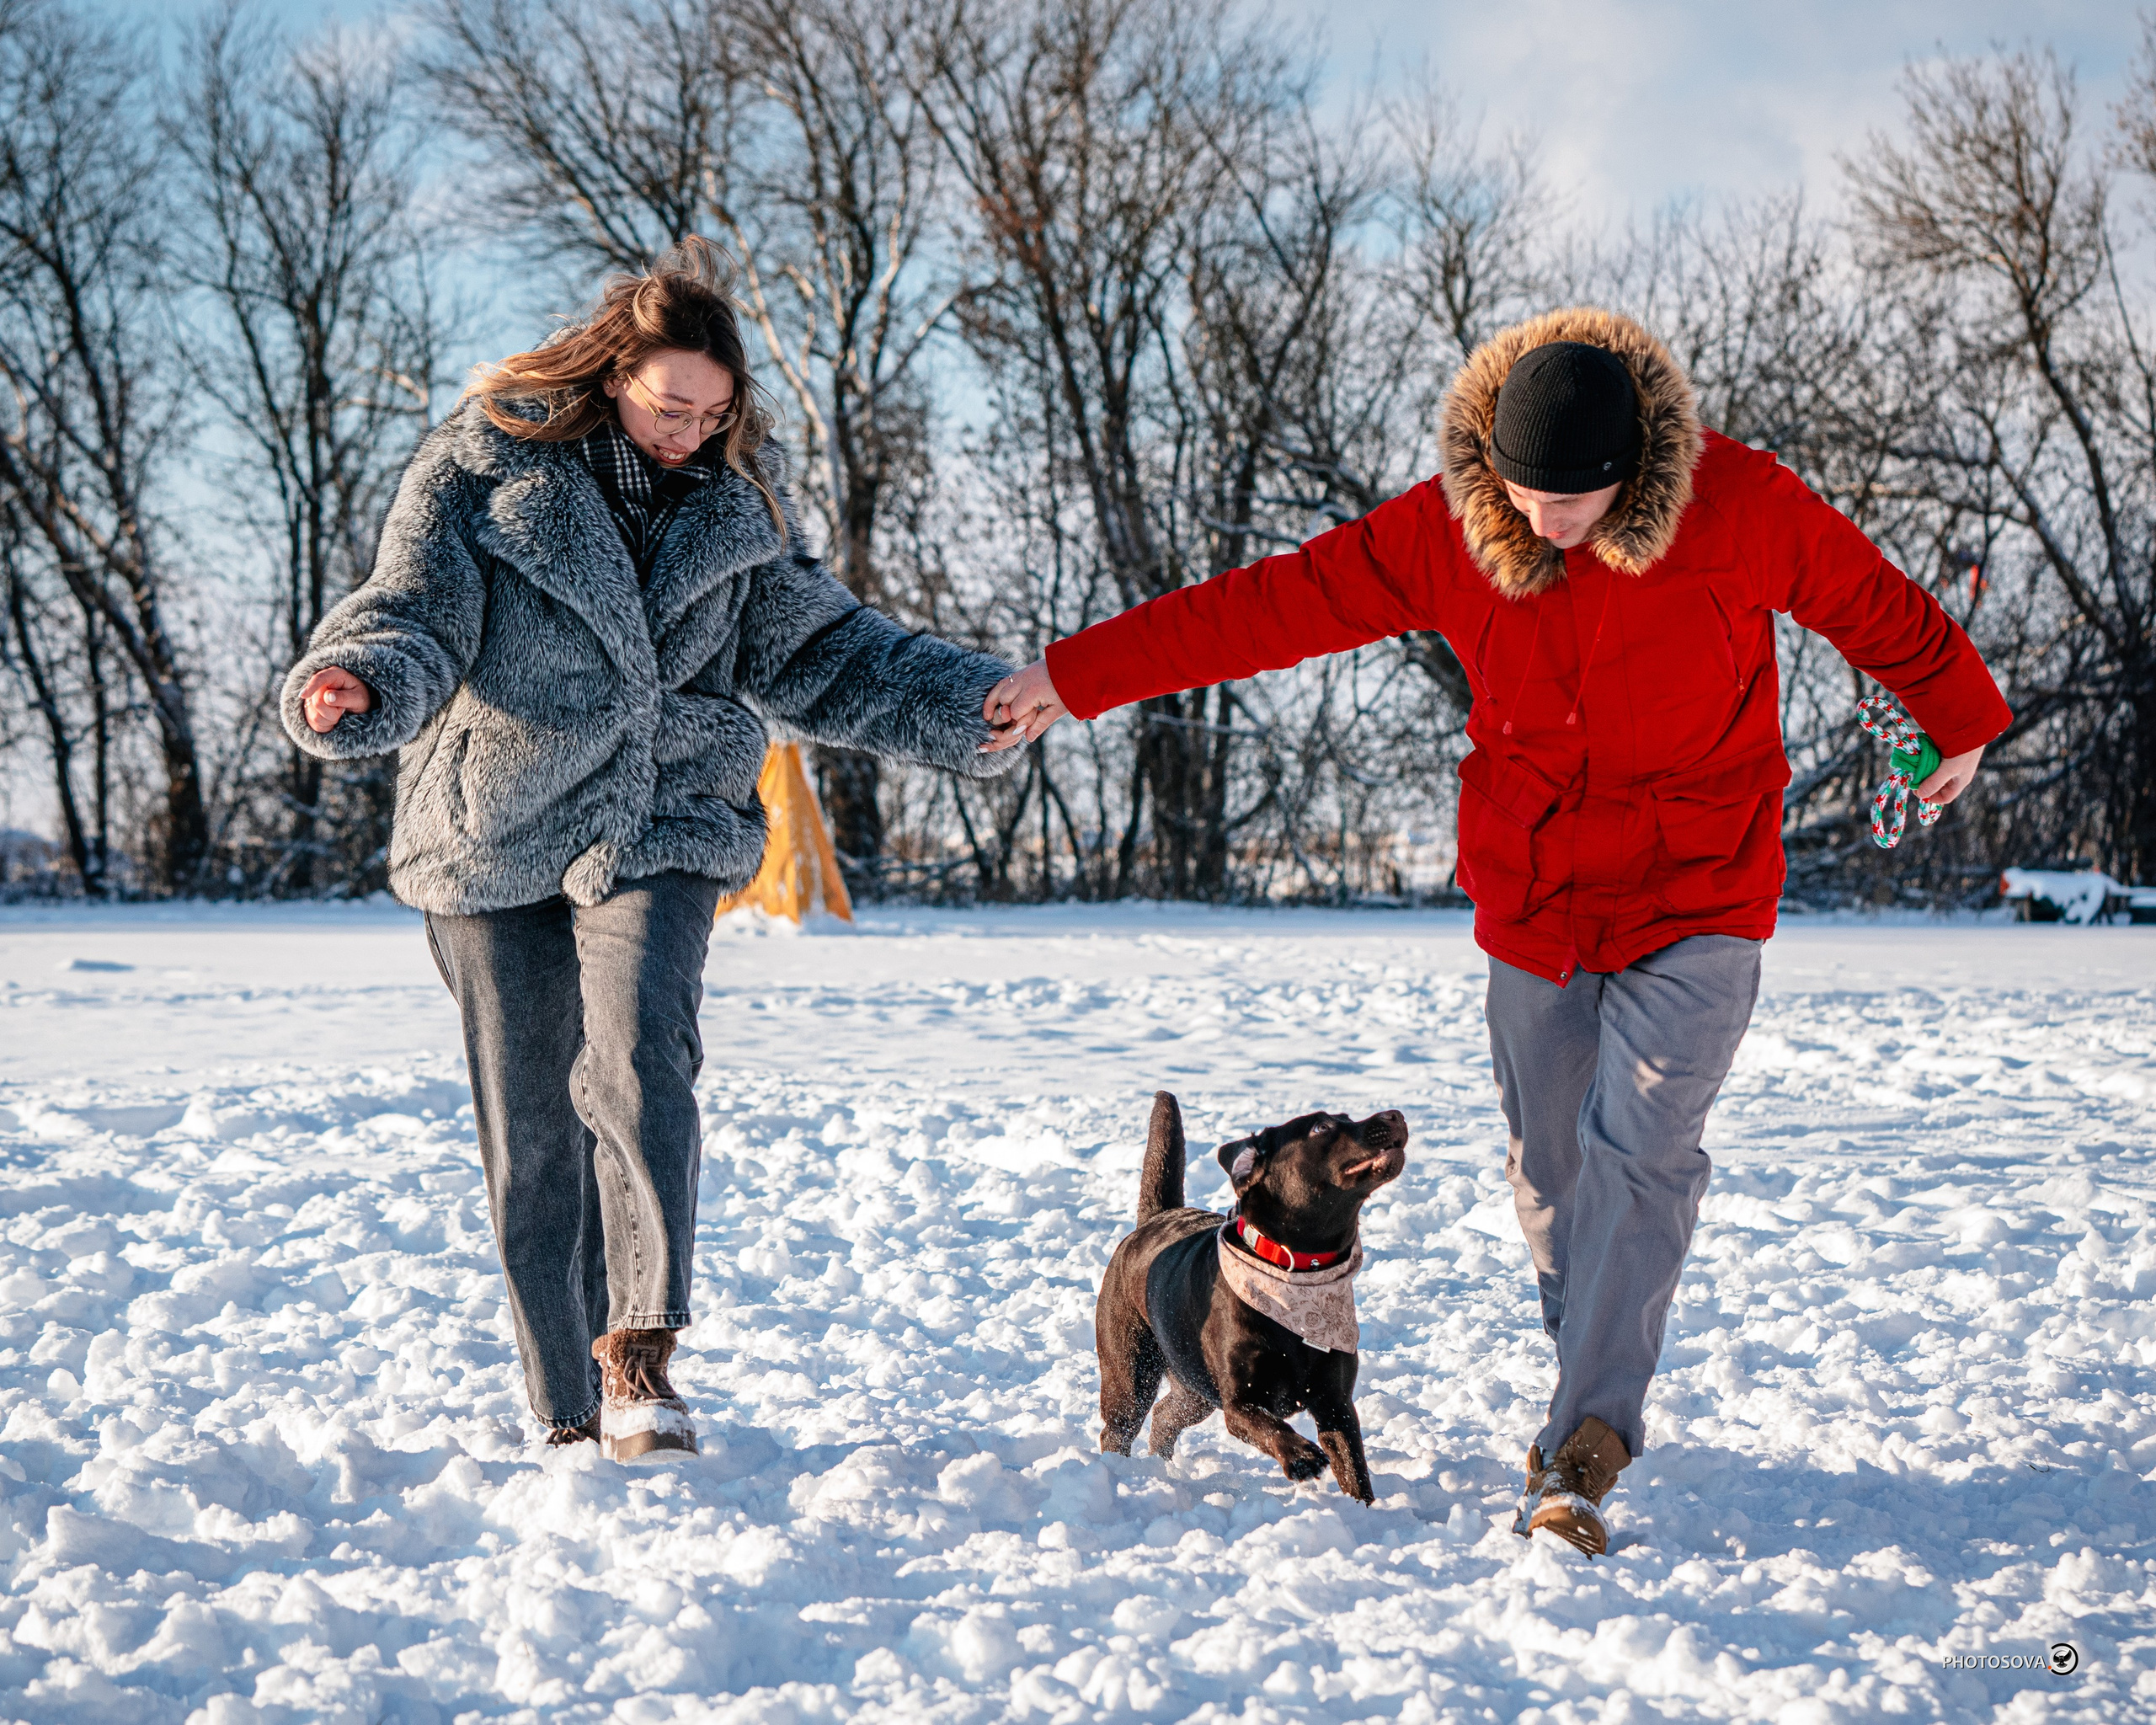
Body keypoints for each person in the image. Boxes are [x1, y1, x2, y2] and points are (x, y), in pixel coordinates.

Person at [980, 308, 2010, 1554]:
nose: (1542, 524)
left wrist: (1956, 716)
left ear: (1635, 471)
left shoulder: (1742, 505)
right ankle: (1592, 1356)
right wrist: (1073, 676)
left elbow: (1875, 604)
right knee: (1548, 1175)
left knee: (1643, 1155)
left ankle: (1584, 1441)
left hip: (1700, 890)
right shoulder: (1448, 528)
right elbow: (1266, 607)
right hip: (1537, 904)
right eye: (1521, 497)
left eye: (1570, 503)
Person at [284, 239, 1018, 1461]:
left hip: (665, 813)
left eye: (713, 413)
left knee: (638, 1057)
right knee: (532, 1123)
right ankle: (563, 1405)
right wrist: (357, 680)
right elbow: (409, 607)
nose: (688, 432)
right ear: (611, 374)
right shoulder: (481, 470)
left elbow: (830, 655)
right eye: (669, 406)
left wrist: (972, 702)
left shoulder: (740, 507)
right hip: (497, 822)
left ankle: (638, 1353)